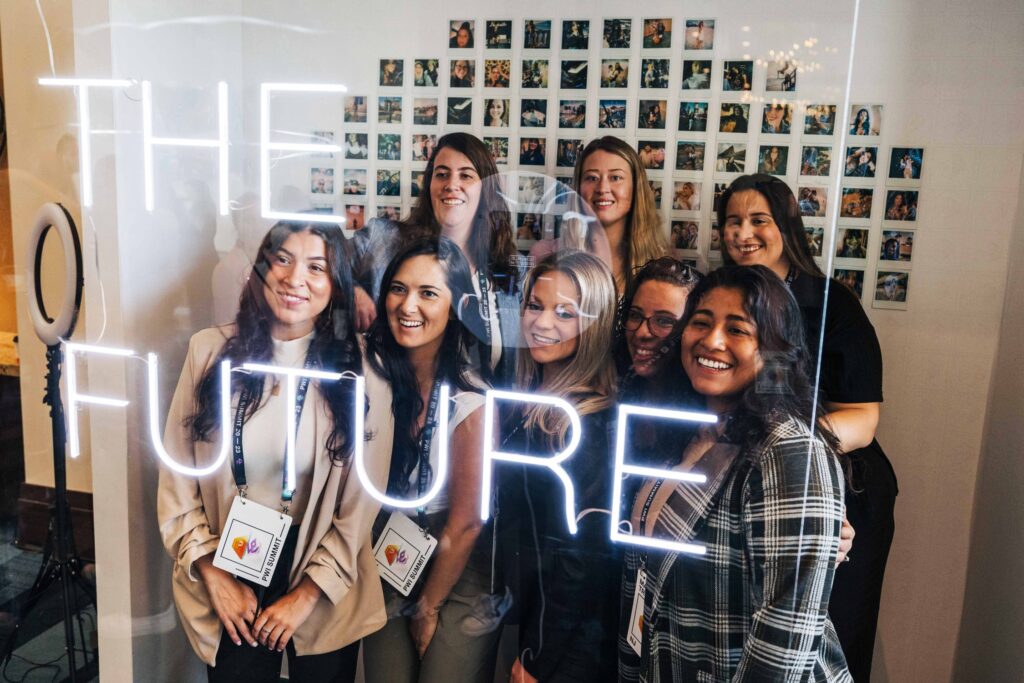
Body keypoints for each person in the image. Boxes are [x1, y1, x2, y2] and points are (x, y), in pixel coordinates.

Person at [158, 220, 390, 683]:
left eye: (316, 266)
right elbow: (177, 481)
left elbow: (360, 509)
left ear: (336, 284)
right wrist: (212, 571)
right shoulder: (209, 352)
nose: (294, 278)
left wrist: (305, 595)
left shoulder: (363, 370)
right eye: (282, 259)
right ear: (262, 269)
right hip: (232, 554)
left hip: (321, 566)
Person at [620, 265, 851, 682]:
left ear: (774, 348)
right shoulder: (692, 429)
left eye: (738, 329)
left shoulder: (790, 448)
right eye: (701, 323)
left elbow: (785, 637)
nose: (712, 341)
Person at [716, 174, 897, 682]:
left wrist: (787, 458)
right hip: (743, 484)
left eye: (758, 220)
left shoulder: (830, 302)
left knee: (828, 638)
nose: (743, 232)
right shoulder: (724, 298)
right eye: (733, 221)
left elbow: (863, 418)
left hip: (840, 490)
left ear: (786, 227)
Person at [360, 238, 503, 682]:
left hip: (457, 559)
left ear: (456, 306)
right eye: (398, 289)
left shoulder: (472, 398)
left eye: (428, 293)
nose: (408, 305)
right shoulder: (371, 374)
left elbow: (466, 523)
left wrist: (427, 608)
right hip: (389, 549)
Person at [498, 251, 621, 682]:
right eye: (535, 305)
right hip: (533, 620)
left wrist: (537, 655)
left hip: (569, 649)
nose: (542, 323)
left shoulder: (583, 423)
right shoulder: (534, 403)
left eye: (565, 313)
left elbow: (580, 563)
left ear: (595, 325)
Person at [570, 136, 668, 297]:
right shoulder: (549, 255)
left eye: (615, 178)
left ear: (635, 187)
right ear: (578, 187)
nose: (602, 188)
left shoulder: (663, 263)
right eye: (592, 178)